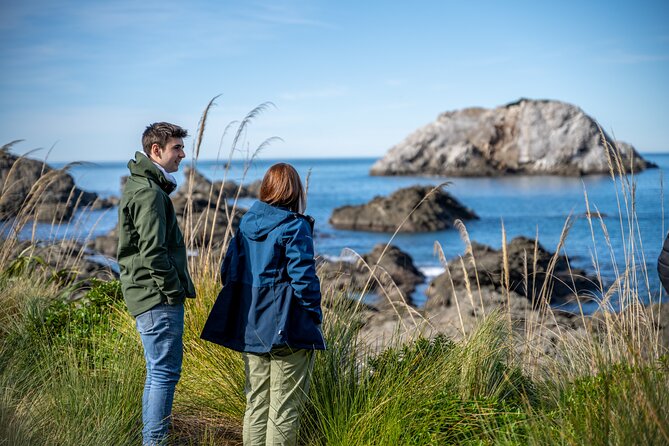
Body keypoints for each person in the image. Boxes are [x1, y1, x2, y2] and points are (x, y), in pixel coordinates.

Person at [201, 162, 325, 446]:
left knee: (256, 404)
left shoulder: (246, 223)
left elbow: (226, 272)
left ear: (267, 188)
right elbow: (304, 280)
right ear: (295, 191)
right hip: (287, 329)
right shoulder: (295, 226)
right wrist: (314, 316)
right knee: (283, 410)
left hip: (251, 325)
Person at [117, 122, 196, 445]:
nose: (182, 154)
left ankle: (153, 439)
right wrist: (173, 291)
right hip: (156, 298)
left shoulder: (143, 186)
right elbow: (153, 252)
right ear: (156, 151)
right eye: (176, 148)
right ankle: (155, 440)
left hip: (146, 295)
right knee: (164, 374)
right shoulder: (149, 194)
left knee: (157, 372)